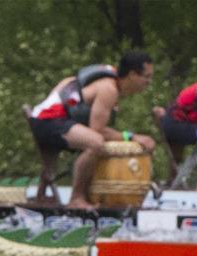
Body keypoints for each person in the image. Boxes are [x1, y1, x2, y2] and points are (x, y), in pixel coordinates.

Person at [28, 51, 156, 209]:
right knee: (95, 143)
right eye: (147, 77)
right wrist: (131, 136)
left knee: (89, 138)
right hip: (48, 121)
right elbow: (98, 131)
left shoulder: (108, 78)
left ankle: (43, 194)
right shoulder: (109, 88)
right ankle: (76, 198)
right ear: (132, 74)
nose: (149, 82)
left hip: (44, 118)